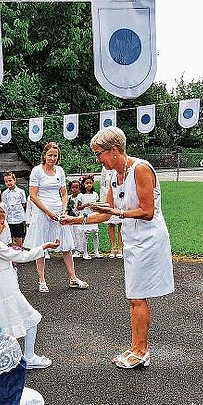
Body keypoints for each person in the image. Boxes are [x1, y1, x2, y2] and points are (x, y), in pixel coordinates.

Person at [62, 127, 174, 369]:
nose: (97, 158)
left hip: (150, 240)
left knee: (136, 297)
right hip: (132, 241)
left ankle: (141, 350)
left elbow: (147, 211)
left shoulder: (141, 169)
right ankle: (136, 347)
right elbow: (106, 213)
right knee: (134, 297)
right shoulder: (113, 176)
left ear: (114, 150)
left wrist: (116, 212)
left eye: (98, 153)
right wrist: (77, 219)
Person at [0, 204, 59, 369]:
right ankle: (29, 357)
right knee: (31, 319)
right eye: (1, 223)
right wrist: (43, 247)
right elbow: (24, 256)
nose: (4, 226)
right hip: (7, 292)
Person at [23, 142, 87, 293]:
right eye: (50, 155)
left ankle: (73, 278)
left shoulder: (60, 171)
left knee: (66, 246)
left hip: (59, 212)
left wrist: (63, 209)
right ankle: (42, 280)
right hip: (42, 213)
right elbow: (33, 195)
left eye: (55, 155)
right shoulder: (37, 171)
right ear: (44, 155)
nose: (52, 158)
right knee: (41, 247)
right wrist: (47, 212)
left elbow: (64, 193)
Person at [75, 174, 101, 259]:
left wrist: (95, 207)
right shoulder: (81, 195)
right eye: (87, 183)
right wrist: (86, 205)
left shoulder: (95, 194)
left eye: (90, 183)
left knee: (95, 234)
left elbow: (98, 204)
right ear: (83, 184)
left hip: (93, 215)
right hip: (85, 215)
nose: (89, 185)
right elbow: (78, 207)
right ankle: (85, 252)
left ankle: (96, 251)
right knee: (85, 234)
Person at [99, 165, 123, 258]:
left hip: (120, 198)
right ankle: (113, 247)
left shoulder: (120, 167)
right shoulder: (105, 169)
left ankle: (120, 247)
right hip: (108, 198)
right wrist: (109, 195)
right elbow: (102, 184)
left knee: (120, 223)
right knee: (111, 224)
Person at [2, 171, 27, 248]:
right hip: (9, 218)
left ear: (14, 180)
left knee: (19, 235)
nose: (8, 183)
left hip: (18, 218)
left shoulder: (21, 192)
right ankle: (13, 252)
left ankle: (19, 250)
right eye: (6, 181)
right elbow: (4, 206)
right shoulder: (4, 193)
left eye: (10, 180)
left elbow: (23, 203)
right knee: (11, 236)